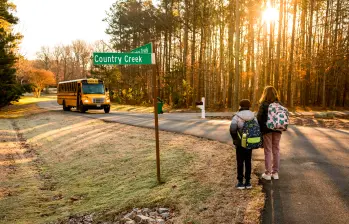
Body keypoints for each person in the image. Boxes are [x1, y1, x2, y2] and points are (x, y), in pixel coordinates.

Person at [230, 99, 257, 189]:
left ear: (240, 106)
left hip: (240, 142)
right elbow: (257, 128)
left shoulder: (236, 116)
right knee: (248, 161)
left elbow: (233, 129)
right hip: (250, 141)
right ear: (249, 106)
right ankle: (248, 182)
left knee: (240, 161)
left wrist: (235, 140)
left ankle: (240, 182)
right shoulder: (253, 116)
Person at [257, 86, 282, 180]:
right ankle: (275, 173)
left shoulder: (263, 104)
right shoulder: (279, 104)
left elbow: (259, 118)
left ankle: (267, 173)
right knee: (276, 150)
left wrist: (260, 128)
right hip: (278, 129)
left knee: (268, 150)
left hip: (267, 129)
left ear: (265, 93)